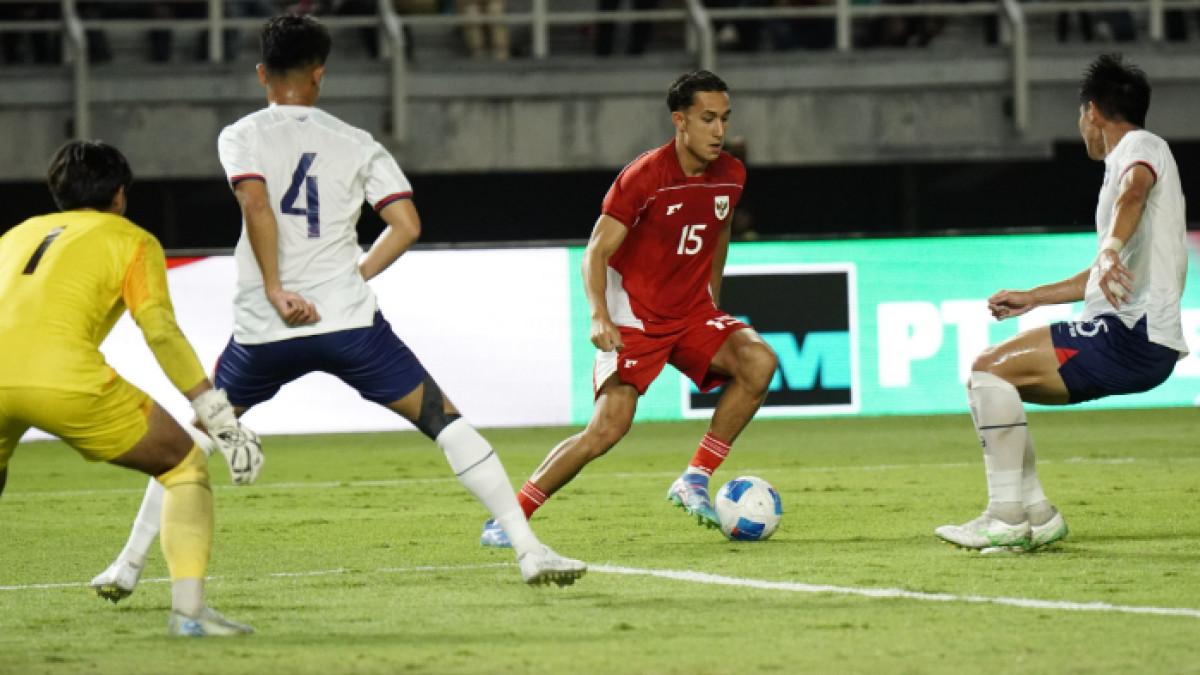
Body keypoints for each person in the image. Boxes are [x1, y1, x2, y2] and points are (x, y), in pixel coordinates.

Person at [89, 14, 585, 598]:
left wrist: (277, 289)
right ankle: (527, 549)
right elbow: (406, 224)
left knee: (194, 438)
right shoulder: (356, 143)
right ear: (319, 75)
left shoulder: (241, 135)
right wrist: (354, 273)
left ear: (261, 74)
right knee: (442, 420)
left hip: (264, 331)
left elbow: (257, 208)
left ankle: (127, 566)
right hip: (349, 324)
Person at [481, 70, 779, 547]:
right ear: (680, 121)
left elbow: (719, 230)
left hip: (691, 313)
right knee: (606, 430)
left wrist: (712, 299)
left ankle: (695, 478)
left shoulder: (731, 175)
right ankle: (511, 518)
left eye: (724, 118)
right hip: (635, 317)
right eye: (707, 119)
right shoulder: (645, 177)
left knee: (759, 361)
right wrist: (599, 315)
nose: (719, 131)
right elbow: (596, 252)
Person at [0, 141, 263, 636]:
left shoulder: (14, 235)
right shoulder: (132, 240)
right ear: (119, 195)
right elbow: (160, 330)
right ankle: (189, 617)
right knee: (183, 464)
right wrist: (215, 411)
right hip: (61, 376)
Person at [935, 54, 1187, 553]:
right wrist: (1035, 297)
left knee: (989, 371)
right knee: (988, 382)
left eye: (1080, 117)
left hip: (1131, 336)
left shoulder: (1140, 148)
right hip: (1132, 335)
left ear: (1092, 112)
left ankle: (1006, 516)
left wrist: (1111, 248)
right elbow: (1100, 275)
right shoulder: (1137, 155)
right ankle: (1037, 514)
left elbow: (1132, 195)